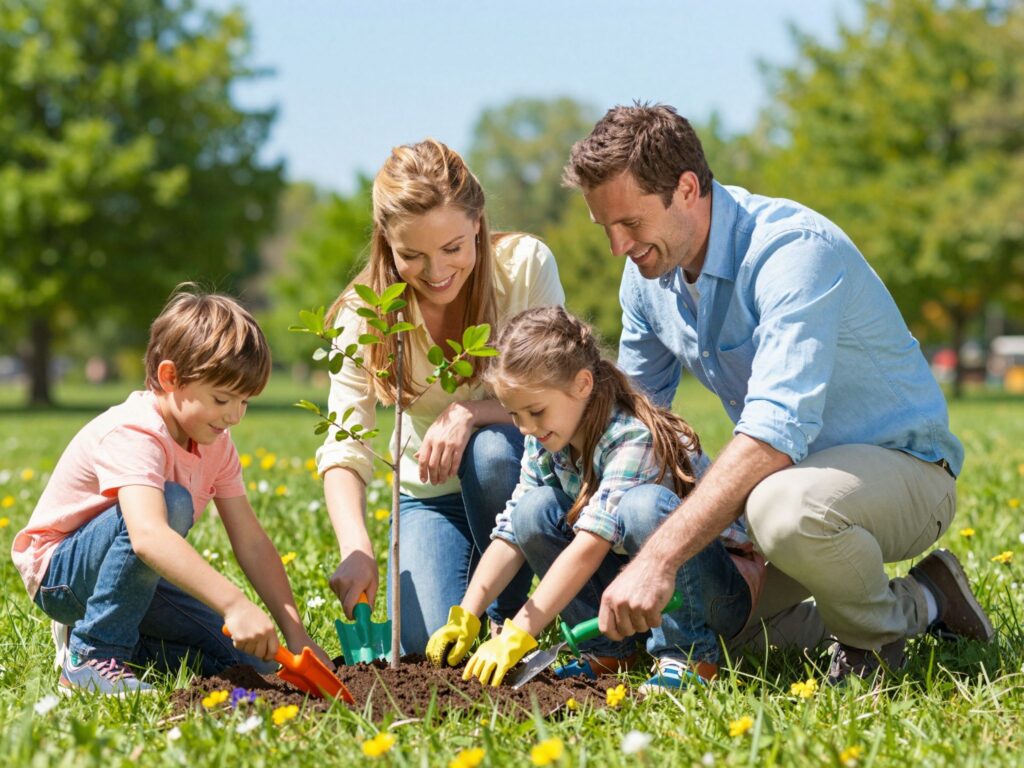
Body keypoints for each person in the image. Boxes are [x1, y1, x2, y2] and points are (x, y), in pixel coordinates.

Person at [562, 103, 993, 685]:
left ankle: (879, 637)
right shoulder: (648, 277)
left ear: (687, 188)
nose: (618, 247)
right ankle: (931, 594)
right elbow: (636, 418)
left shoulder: (792, 251)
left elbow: (773, 434)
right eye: (606, 228)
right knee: (718, 626)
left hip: (905, 471)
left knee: (780, 510)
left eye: (630, 224)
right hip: (789, 486)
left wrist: (660, 558)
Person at [12, 287, 331, 696]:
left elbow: (251, 541)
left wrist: (296, 633)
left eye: (245, 402)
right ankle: (91, 656)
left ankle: (114, 647)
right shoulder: (136, 431)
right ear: (170, 377)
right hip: (62, 576)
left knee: (255, 663)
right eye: (222, 399)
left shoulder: (217, 443)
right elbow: (148, 536)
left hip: (134, 580)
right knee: (171, 502)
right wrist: (234, 604)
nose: (234, 416)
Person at [425, 306, 763, 691]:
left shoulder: (630, 436)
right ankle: (609, 651)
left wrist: (519, 632)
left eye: (535, 411)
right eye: (515, 415)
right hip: (636, 590)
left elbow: (590, 545)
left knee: (643, 507)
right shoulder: (546, 440)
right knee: (532, 513)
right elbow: (510, 532)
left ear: (582, 385)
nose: (526, 428)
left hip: (718, 595)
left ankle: (688, 656)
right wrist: (467, 614)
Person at [317, 139, 564, 654]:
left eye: (453, 248)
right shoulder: (365, 315)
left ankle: (504, 618)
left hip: (515, 478)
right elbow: (346, 443)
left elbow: (557, 392)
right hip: (429, 494)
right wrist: (356, 546)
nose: (436, 273)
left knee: (490, 449)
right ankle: (468, 592)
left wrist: (470, 413)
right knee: (426, 646)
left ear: (477, 222)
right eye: (412, 255)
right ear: (386, 241)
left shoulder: (523, 269)